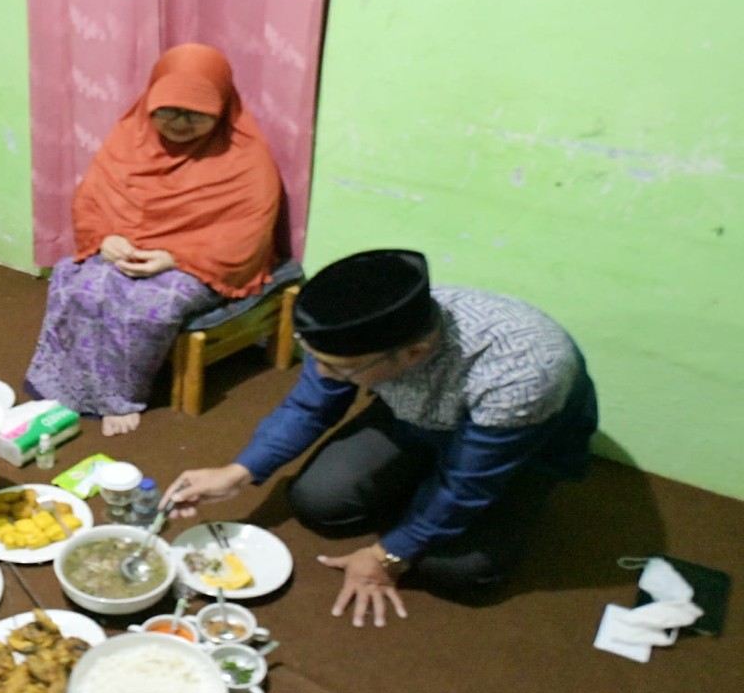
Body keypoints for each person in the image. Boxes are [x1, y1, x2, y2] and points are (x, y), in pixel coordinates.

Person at [164, 249, 598, 627]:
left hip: (515, 449)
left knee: (458, 570)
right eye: (318, 360)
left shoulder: (522, 373)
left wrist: (388, 556)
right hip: (413, 419)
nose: (324, 374)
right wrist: (239, 472)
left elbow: (466, 484)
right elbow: (310, 406)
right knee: (318, 502)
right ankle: (417, 492)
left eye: (338, 368)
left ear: (413, 353)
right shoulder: (360, 326)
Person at [24, 43, 281, 436]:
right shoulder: (130, 134)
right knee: (74, 278)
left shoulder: (245, 155)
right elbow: (92, 197)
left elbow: (246, 234)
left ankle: (117, 397)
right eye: (168, 110)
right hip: (126, 247)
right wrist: (105, 239)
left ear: (221, 109)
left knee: (148, 305)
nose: (179, 123)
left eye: (196, 113)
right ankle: (62, 383)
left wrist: (175, 258)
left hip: (199, 265)